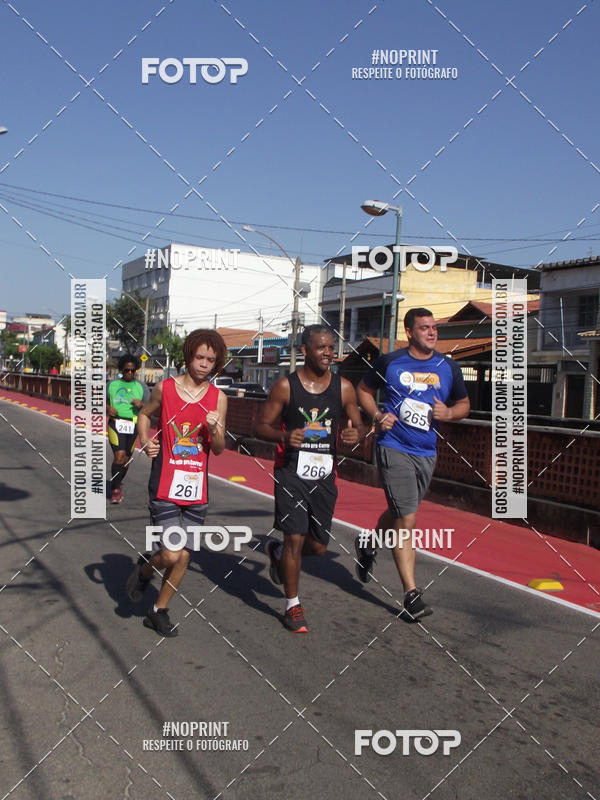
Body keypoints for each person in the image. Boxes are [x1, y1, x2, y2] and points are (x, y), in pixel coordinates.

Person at [355, 308, 470, 619]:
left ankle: (368, 544)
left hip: (426, 453)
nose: (432, 333)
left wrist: (451, 413)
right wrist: (378, 416)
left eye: (434, 328)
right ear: (409, 332)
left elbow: (464, 404)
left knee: (398, 513)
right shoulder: (389, 362)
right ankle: (411, 594)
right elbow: (364, 391)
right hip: (393, 447)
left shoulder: (449, 366)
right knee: (407, 519)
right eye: (424, 328)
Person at [254, 325, 365, 633]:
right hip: (291, 472)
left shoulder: (343, 388)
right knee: (294, 537)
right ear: (305, 351)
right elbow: (260, 426)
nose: (328, 353)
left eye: (331, 347)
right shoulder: (286, 387)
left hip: (325, 473)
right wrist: (284, 435)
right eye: (321, 347)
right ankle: (292, 605)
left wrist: (358, 433)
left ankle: (276, 554)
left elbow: (360, 425)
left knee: (316, 546)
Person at [126, 330, 228, 638]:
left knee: (183, 555)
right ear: (188, 356)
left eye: (211, 360)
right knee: (171, 554)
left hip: (197, 489)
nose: (204, 364)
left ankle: (159, 611)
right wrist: (145, 441)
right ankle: (146, 570)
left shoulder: (218, 398)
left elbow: (220, 448)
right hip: (165, 484)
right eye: (199, 357)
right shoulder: (165, 389)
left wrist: (214, 430)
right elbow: (144, 415)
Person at [106, 355, 149, 504]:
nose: (129, 373)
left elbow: (151, 407)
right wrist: (108, 408)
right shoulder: (111, 385)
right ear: (121, 370)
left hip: (133, 425)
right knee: (119, 455)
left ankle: (116, 482)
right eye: (126, 370)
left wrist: (142, 405)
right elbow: (100, 401)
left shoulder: (141, 387)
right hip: (116, 423)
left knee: (126, 460)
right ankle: (116, 489)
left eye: (132, 371)